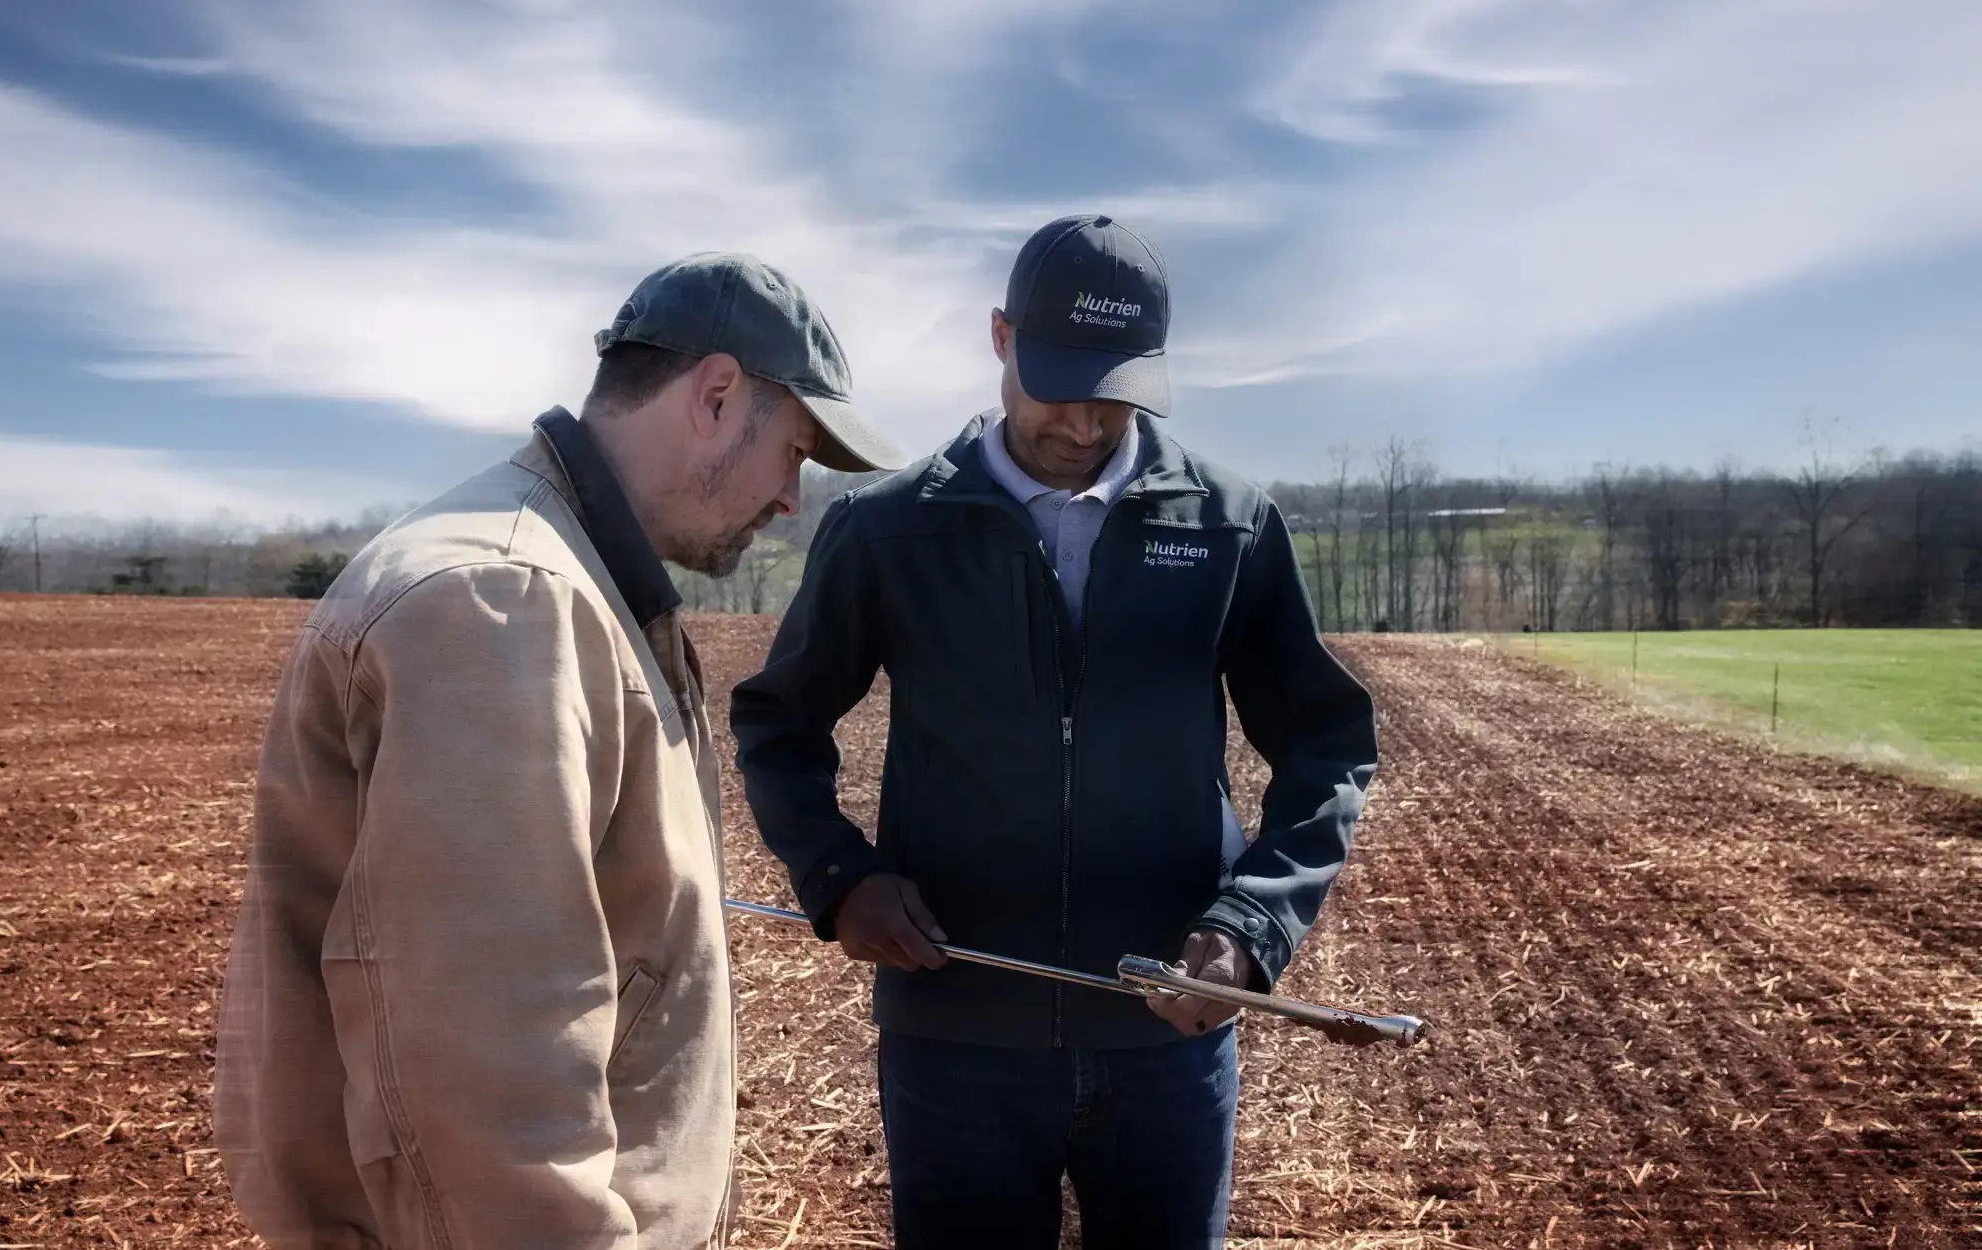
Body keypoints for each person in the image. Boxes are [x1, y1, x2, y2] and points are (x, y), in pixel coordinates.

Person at [214, 253, 902, 1250]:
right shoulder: (503, 603)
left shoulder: (567, 582)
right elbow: (488, 1095)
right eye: (792, 449)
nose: (791, 496)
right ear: (714, 395)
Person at [731, 214, 1379, 1249]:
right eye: (1056, 381)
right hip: (954, 1047)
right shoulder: (888, 528)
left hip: (1165, 1051)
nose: (1083, 422)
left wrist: (1253, 927)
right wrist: (838, 875)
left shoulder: (1225, 526)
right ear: (999, 338)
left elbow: (1325, 742)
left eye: (1114, 390)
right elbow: (778, 719)